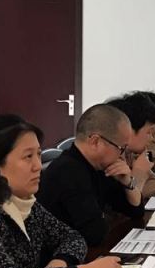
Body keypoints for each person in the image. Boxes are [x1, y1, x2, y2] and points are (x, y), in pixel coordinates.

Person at [0, 116, 122, 268]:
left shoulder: (26, 203)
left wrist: (59, 264)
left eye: (38, 154)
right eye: (28, 157)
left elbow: (73, 238)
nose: (38, 166)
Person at [37, 104, 147, 247]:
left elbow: (136, 211)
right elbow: (95, 234)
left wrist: (128, 182)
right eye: (121, 148)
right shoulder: (68, 171)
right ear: (95, 142)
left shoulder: (99, 166)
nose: (122, 155)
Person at [106, 91, 155, 198]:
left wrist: (134, 184)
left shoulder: (130, 155)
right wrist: (139, 175)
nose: (151, 138)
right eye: (149, 132)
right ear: (127, 129)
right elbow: (123, 204)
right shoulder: (109, 160)